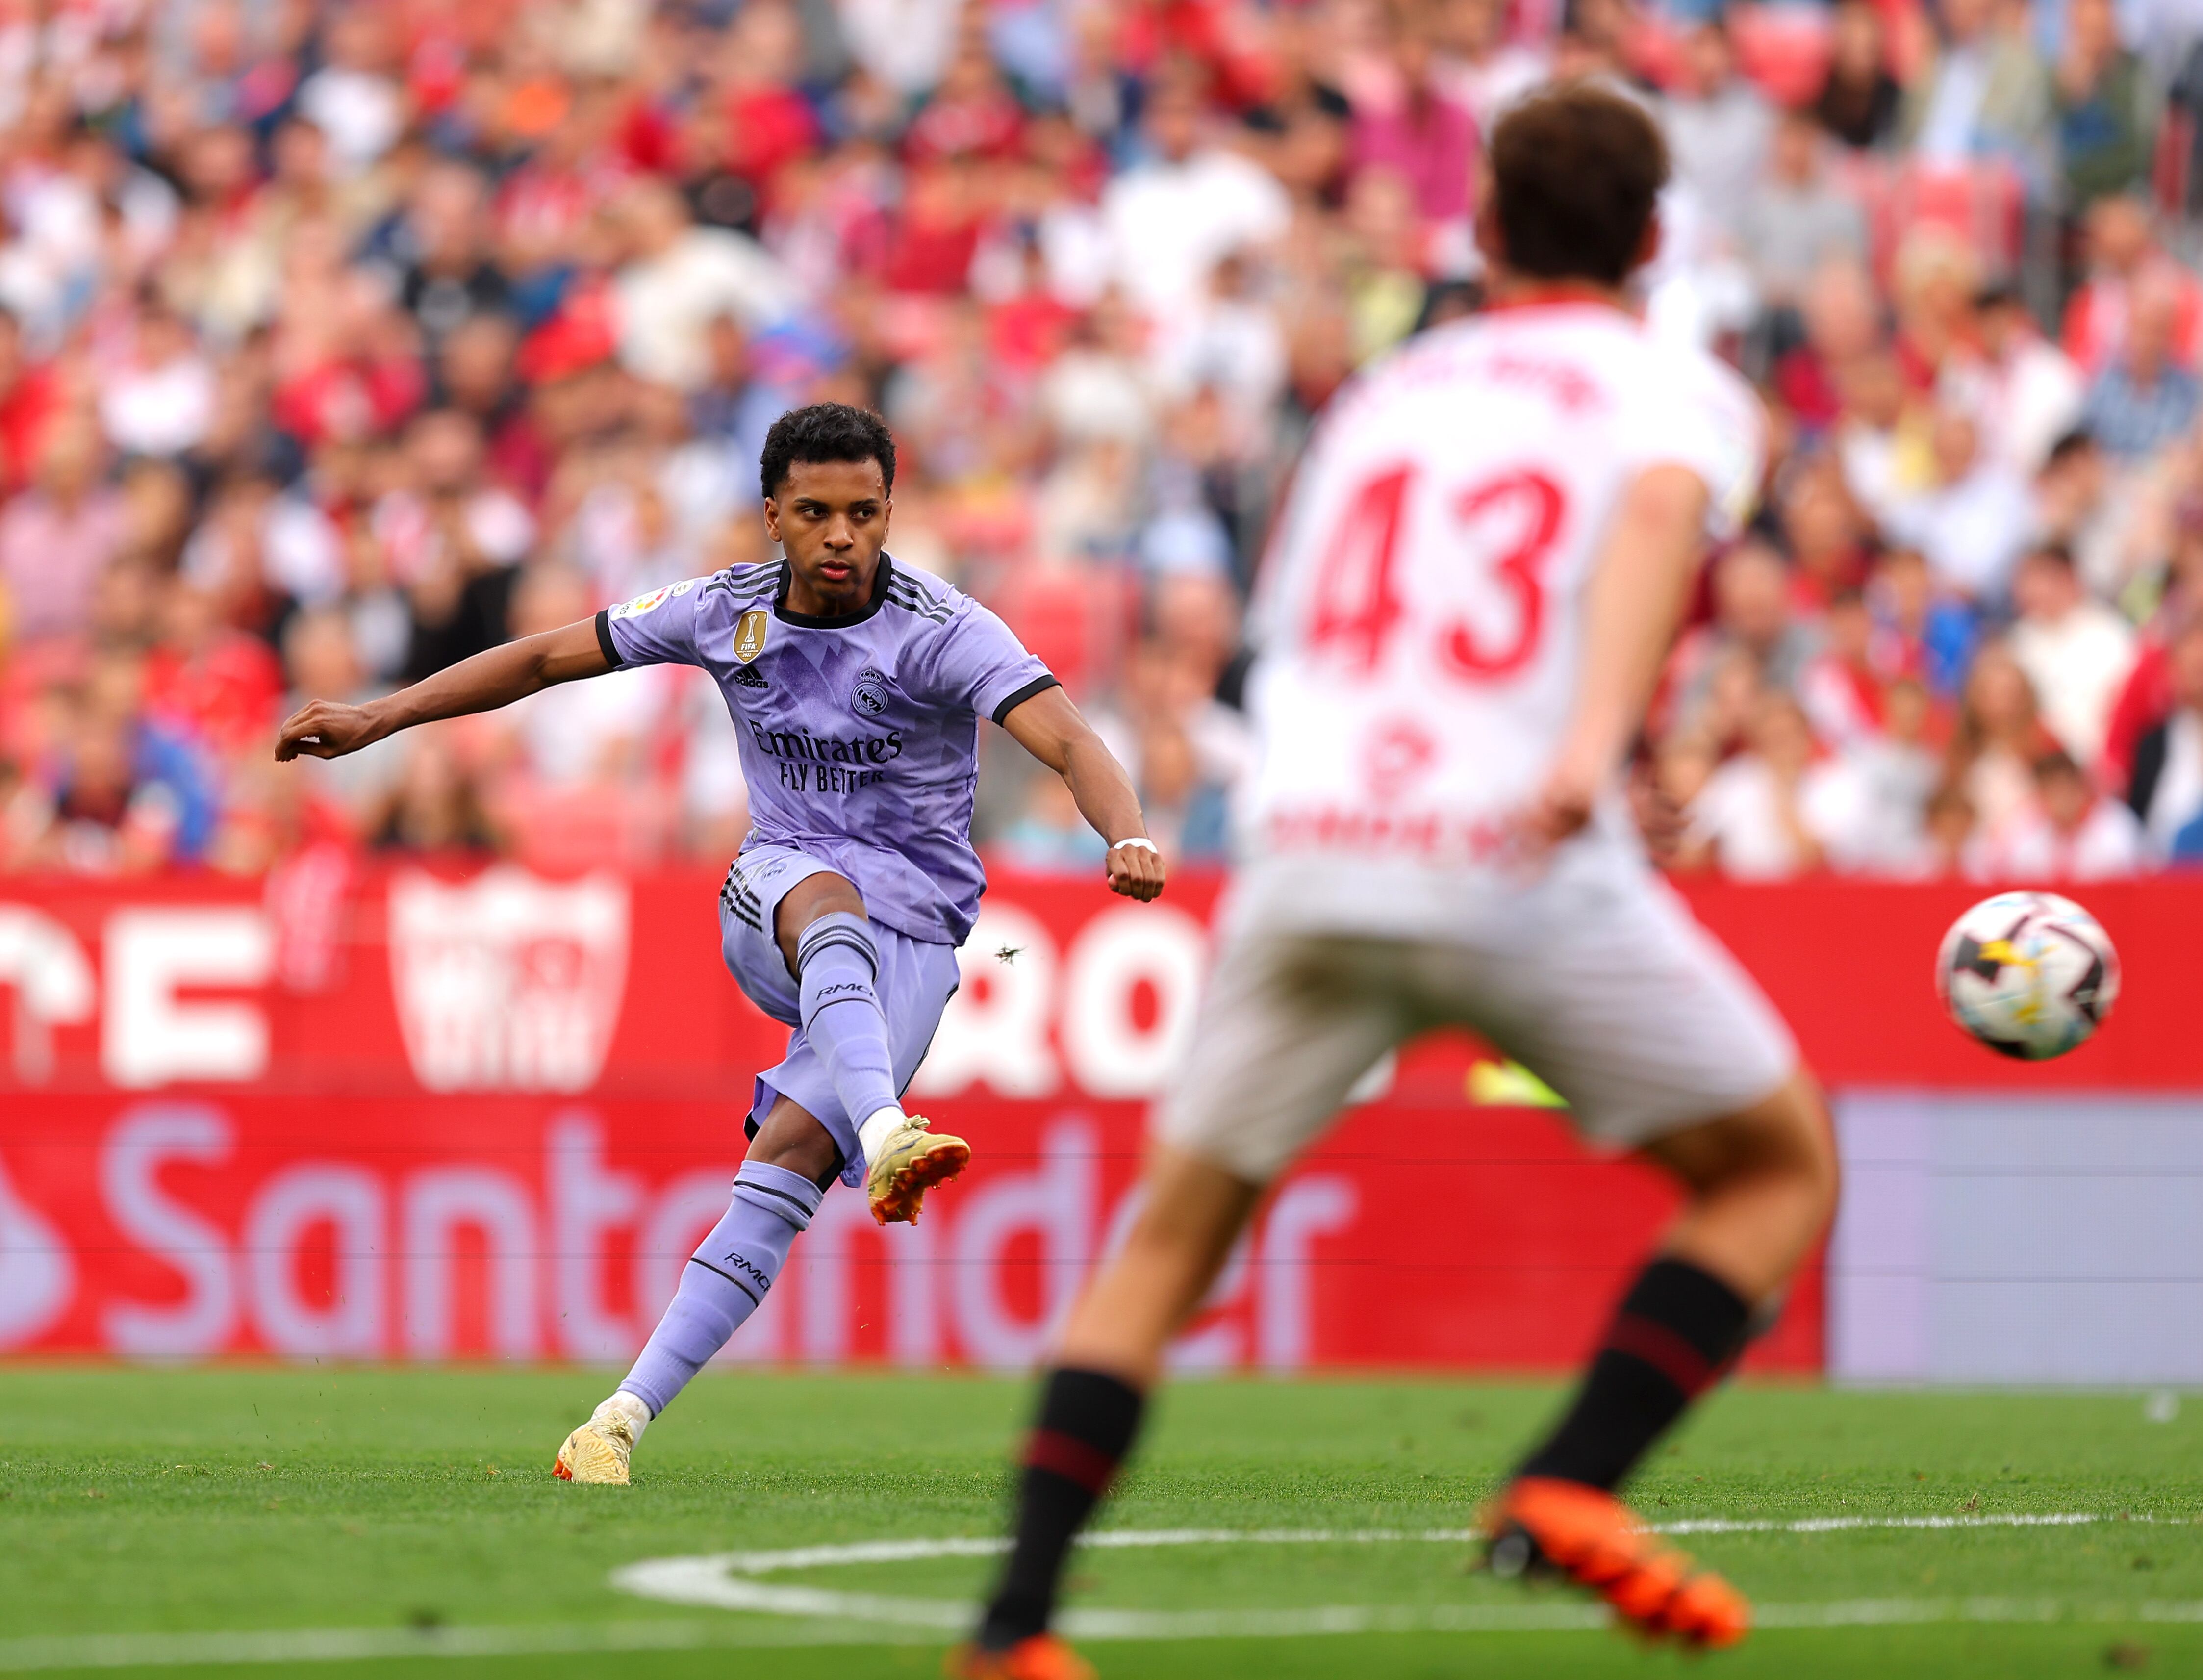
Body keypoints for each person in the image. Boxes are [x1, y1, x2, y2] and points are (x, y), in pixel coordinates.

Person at [952, 88, 1837, 1679]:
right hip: (1511, 853)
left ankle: (1012, 1627)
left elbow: (1327, 637)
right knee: (1776, 1168)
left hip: (1311, 853)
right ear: (1650, 242)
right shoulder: (1670, 383)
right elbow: (1650, 514)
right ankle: (1570, 1477)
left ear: (1481, 231)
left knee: (1166, 1239)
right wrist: (1586, 741)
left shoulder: (1384, 393)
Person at [275, 403, 1165, 1483]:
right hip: (777, 895)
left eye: (865, 513)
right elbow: (552, 658)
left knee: (782, 1166)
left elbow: (1067, 736)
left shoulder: (945, 629)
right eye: (817, 513)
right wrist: (381, 717)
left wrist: (1124, 830)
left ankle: (617, 1420)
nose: (842, 536)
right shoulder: (722, 611)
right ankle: (890, 1129)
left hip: (919, 935)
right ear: (773, 517)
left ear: (891, 513)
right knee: (826, 895)